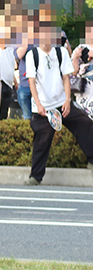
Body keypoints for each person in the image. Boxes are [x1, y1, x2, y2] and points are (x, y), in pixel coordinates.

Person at [25, 21, 93, 186]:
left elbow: (66, 78)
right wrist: (39, 105)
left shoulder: (60, 52)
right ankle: (35, 177)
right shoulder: (32, 55)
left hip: (62, 103)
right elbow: (32, 82)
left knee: (85, 123)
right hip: (43, 107)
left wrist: (68, 100)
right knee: (41, 140)